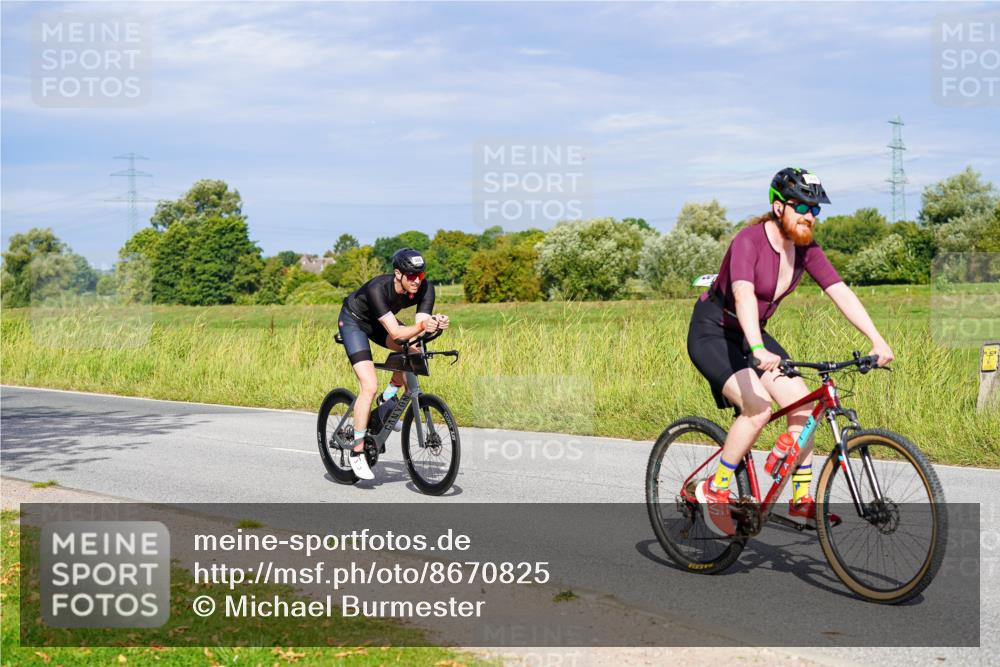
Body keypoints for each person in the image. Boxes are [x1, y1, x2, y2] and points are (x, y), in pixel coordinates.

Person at [686, 168, 893, 534]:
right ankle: (715, 488)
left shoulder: (806, 248)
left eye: (816, 209)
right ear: (779, 206)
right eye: (803, 207)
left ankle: (800, 500)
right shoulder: (748, 241)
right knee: (758, 408)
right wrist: (756, 347)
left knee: (804, 405)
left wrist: (877, 339)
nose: (810, 216)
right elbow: (743, 295)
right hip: (714, 332)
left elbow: (840, 292)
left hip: (753, 334)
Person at [337, 247, 450, 480]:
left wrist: (433, 324)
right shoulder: (378, 288)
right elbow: (397, 333)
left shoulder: (425, 288)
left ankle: (387, 399)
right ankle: (357, 451)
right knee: (369, 385)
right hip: (354, 323)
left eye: (420, 275)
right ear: (398, 274)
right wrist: (422, 326)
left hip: (380, 323)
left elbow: (419, 329)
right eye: (411, 275)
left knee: (414, 351)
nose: (417, 281)